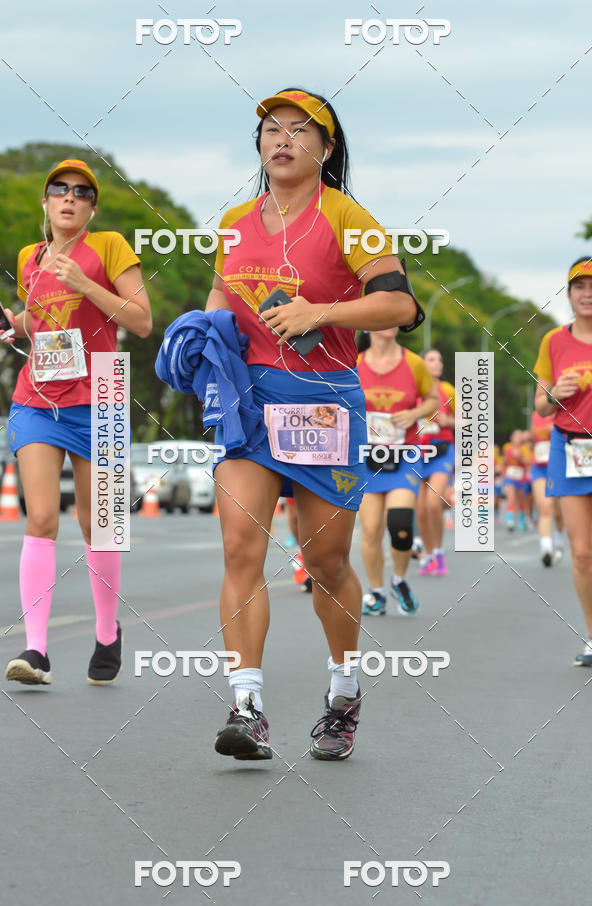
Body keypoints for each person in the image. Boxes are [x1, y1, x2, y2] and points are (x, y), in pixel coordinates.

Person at [205, 88, 422, 761]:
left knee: (325, 560)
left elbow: (401, 305)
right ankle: (247, 707)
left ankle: (343, 692)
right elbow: (221, 297)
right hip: (249, 402)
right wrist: (201, 336)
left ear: (326, 150)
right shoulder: (236, 223)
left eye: (301, 130)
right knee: (241, 546)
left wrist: (319, 313)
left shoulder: (346, 216)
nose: (283, 138)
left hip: (321, 400)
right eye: (272, 128)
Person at [0, 159, 151, 686]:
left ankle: (108, 633)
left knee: (99, 523)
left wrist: (86, 282)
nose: (69, 197)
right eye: (58, 189)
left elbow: (141, 320)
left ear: (92, 207)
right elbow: (38, 319)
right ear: (45, 201)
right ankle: (36, 650)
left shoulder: (108, 247)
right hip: (38, 396)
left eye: (81, 192)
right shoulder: (30, 257)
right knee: (40, 517)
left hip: (102, 392)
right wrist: (10, 325)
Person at [534, 256, 592, 666]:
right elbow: (540, 406)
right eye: (579, 287)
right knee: (583, 551)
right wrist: (557, 391)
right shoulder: (554, 341)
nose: (587, 294)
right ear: (569, 294)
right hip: (571, 447)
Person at [358, 328, 437, 615]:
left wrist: (414, 414)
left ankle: (399, 580)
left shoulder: (414, 362)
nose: (387, 322)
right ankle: (376, 592)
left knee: (400, 524)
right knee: (370, 530)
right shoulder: (355, 363)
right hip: (366, 457)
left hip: (405, 454)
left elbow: (432, 399)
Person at [415, 348, 455, 576]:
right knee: (420, 511)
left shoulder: (447, 389)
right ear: (422, 364)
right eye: (431, 359)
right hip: (419, 452)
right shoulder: (415, 388)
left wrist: (447, 419)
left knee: (433, 502)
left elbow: (466, 421)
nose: (438, 363)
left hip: (442, 450)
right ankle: (430, 555)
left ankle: (439, 553)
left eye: (440, 359)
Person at [529, 411, 565, 566]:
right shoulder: (536, 414)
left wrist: (556, 431)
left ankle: (559, 542)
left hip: (559, 465)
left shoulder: (564, 410)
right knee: (544, 508)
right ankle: (546, 550)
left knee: (558, 513)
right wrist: (528, 439)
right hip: (539, 467)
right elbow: (532, 439)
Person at [502, 430, 531, 531]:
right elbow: (504, 461)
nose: (518, 438)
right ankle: (510, 521)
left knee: (520, 500)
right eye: (516, 436)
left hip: (521, 477)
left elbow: (529, 462)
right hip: (510, 476)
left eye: (519, 436)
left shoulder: (524, 448)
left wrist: (520, 457)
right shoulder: (507, 447)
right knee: (511, 498)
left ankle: (521, 521)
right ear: (512, 437)